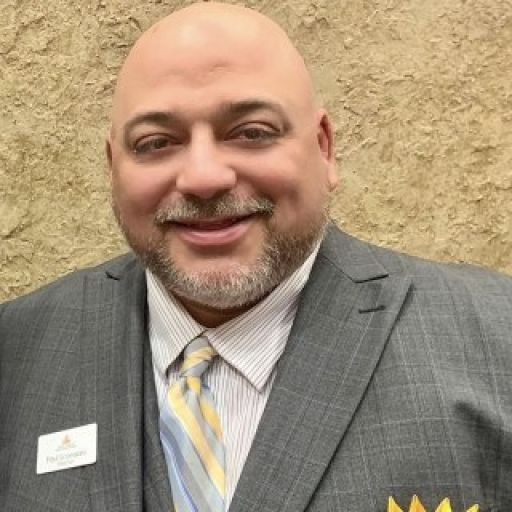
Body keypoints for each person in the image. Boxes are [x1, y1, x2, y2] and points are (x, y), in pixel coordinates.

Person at [1, 2, 511, 511]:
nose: (204, 177)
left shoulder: (496, 338)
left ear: (324, 148)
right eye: (156, 143)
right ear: (113, 167)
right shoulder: (15, 353)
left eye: (251, 132)